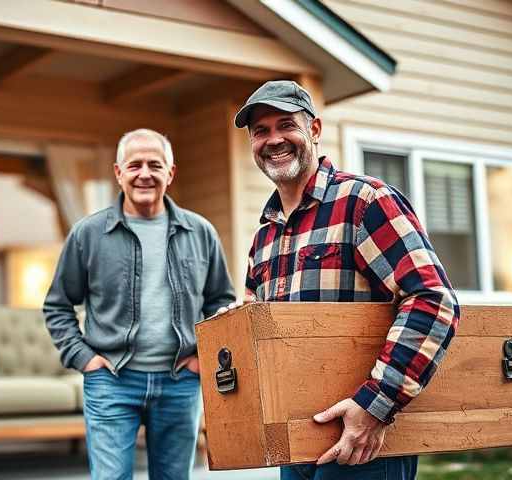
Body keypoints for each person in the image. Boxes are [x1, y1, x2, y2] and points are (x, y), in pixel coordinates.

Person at [226, 80, 460, 479]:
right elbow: (262, 325)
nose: (273, 139)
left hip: (362, 445)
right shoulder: (265, 234)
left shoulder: (365, 202)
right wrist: (236, 325)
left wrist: (374, 406)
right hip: (295, 443)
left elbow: (433, 301)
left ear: (314, 130)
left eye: (286, 125)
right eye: (260, 131)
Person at [43, 128, 236, 480]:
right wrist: (85, 359)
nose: (144, 173)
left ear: (170, 173)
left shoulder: (201, 232)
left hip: (181, 381)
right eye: (134, 165)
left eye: (154, 164)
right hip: (112, 380)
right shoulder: (88, 234)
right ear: (118, 173)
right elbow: (57, 306)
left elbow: (221, 303)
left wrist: (204, 359)